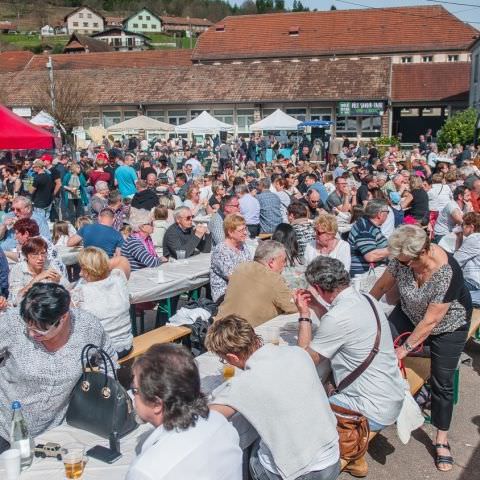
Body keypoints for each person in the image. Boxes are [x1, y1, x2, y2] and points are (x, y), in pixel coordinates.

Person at [370, 225, 472, 472]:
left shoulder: (447, 272)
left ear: (423, 252)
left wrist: (403, 349)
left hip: (448, 324)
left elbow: (431, 321)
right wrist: (364, 310)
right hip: (410, 311)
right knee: (376, 347)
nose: (403, 267)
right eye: (401, 263)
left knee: (442, 380)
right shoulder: (402, 260)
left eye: (407, 263)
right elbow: (380, 288)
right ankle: (382, 405)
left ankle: (441, 439)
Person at [296, 256, 404, 477]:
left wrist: (305, 315)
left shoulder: (337, 317)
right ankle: (353, 454)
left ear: (317, 287)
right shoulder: (367, 299)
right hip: (392, 394)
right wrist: (318, 305)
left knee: (301, 410)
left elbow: (303, 360)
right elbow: (341, 327)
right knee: (326, 381)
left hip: (371, 408)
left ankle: (347, 456)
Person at [207, 316, 340, 480]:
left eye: (224, 359)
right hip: (332, 458)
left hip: (296, 473)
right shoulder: (297, 352)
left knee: (243, 444)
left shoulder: (244, 384)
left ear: (232, 358)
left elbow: (209, 417)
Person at [0, 283, 116, 453]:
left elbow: (108, 356)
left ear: (63, 318)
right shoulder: (11, 323)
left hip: (55, 433)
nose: (32, 333)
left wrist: (104, 396)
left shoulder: (87, 327)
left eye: (40, 329)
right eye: (28, 326)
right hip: (5, 428)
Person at [126, 344, 242, 480]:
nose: (133, 397)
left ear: (157, 404)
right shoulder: (222, 424)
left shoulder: (145, 471)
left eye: (135, 390)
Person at [215, 240, 297, 326]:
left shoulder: (241, 267)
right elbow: (293, 307)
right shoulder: (274, 279)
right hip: (245, 334)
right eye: (283, 260)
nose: (285, 264)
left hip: (219, 329)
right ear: (271, 262)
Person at [71, 247, 133, 358]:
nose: (80, 273)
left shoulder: (79, 293)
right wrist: (101, 265)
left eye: (82, 268)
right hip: (126, 346)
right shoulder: (118, 280)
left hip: (101, 354)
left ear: (88, 269)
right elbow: (122, 260)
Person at [8, 237, 70, 306]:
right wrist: (37, 279)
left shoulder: (50, 265)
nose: (40, 258)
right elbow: (16, 300)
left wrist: (57, 282)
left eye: (43, 253)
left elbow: (68, 290)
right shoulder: (18, 269)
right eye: (35, 254)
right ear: (26, 256)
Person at [210, 214, 252, 303]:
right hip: (225, 294)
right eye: (241, 230)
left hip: (243, 288)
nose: (245, 233)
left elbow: (251, 268)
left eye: (245, 229)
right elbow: (234, 277)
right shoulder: (221, 250)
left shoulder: (242, 245)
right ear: (230, 232)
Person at [348, 199, 389, 277]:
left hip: (372, 270)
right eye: (387, 212)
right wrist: (396, 249)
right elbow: (370, 256)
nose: (388, 215)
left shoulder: (369, 224)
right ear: (380, 214)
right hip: (364, 274)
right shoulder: (365, 228)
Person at [453, 211, 480, 304]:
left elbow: (455, 261)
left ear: (471, 227)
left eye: (463, 225)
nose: (461, 227)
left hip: (473, 282)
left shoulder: (474, 239)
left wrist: (458, 239)